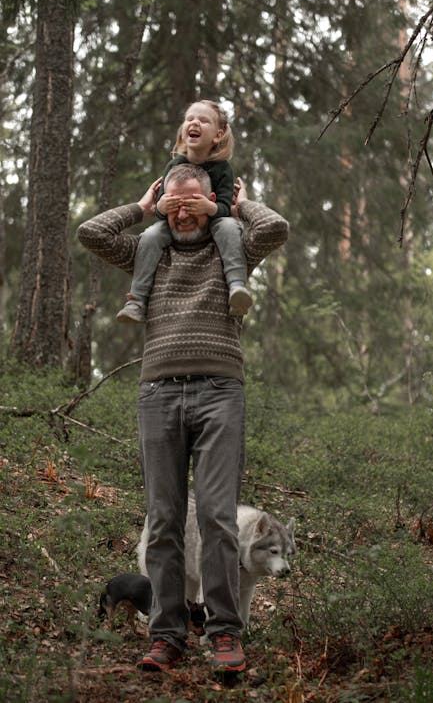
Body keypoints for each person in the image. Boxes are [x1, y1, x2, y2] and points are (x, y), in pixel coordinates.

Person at [77, 163, 289, 674]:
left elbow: (276, 227)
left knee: (217, 517)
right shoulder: (147, 250)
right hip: (158, 395)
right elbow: (91, 233)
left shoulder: (230, 247)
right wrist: (143, 207)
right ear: (165, 205)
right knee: (165, 518)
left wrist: (234, 207)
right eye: (176, 203)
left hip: (220, 393)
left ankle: (223, 635)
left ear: (208, 204)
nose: (184, 211)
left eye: (194, 202)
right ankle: (167, 634)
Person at [116, 100, 253, 323]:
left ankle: (236, 287)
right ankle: (136, 300)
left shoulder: (222, 168)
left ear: (217, 136)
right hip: (176, 224)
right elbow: (161, 207)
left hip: (212, 223)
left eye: (203, 120)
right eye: (190, 119)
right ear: (183, 131)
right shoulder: (174, 165)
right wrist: (161, 207)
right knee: (150, 236)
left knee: (229, 226)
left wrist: (210, 208)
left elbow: (227, 207)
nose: (194, 123)